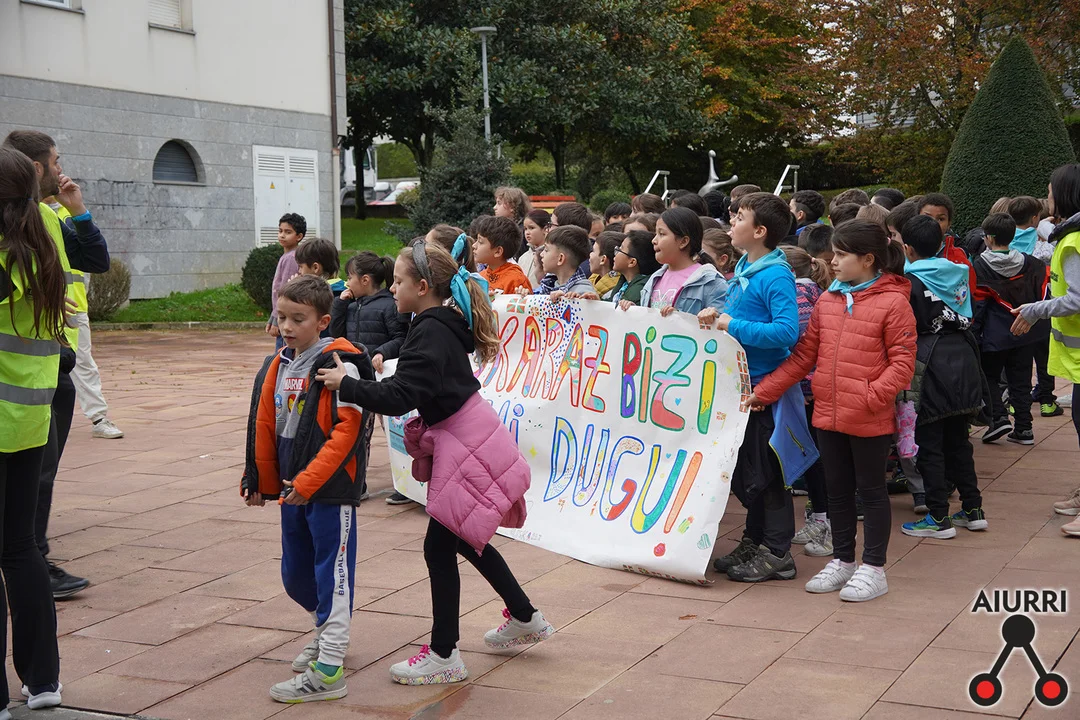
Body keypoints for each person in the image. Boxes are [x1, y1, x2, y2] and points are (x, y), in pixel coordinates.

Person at [318, 240, 553, 683]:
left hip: (466, 444)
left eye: (399, 281)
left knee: (440, 547)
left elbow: (400, 395)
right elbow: (411, 386)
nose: (393, 288)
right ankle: (524, 617)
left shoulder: (430, 329)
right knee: (462, 539)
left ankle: (445, 655)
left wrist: (345, 386)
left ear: (423, 287)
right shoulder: (435, 323)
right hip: (469, 437)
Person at [749, 220, 915, 601]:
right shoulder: (828, 301)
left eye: (842, 254)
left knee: (871, 492)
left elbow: (903, 364)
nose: (833, 261)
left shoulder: (894, 302)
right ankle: (843, 560)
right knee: (837, 491)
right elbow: (803, 357)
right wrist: (764, 392)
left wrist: (870, 396)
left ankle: (874, 567)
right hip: (828, 414)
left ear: (868, 259)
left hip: (869, 416)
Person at [242, 275, 374, 703]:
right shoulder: (278, 363)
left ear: (322, 321)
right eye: (281, 317)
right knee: (295, 575)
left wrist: (309, 482)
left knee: (332, 573)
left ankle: (329, 669)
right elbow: (265, 423)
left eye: (298, 319)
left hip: (330, 488)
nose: (287, 326)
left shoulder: (340, 364)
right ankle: (327, 631)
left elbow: (347, 432)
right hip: (291, 487)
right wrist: (258, 478)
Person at [4, 130, 108, 601]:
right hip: (26, 373)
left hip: (53, 360)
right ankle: (31, 557)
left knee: (42, 472)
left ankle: (30, 552)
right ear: (35, 168)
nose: (61, 168)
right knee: (35, 472)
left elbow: (96, 259)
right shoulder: (17, 231)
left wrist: (78, 211)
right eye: (56, 161)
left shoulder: (49, 215)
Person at [699, 193, 807, 584]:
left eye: (740, 216)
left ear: (759, 231)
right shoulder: (746, 266)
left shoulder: (775, 274)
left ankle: (778, 553)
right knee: (750, 472)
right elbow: (739, 315)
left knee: (768, 473)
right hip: (741, 386)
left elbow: (786, 332)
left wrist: (732, 325)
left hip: (765, 391)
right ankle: (754, 539)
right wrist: (718, 315)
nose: (731, 220)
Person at [0, 146, 68, 716]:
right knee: (19, 549)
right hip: (27, 421)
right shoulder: (41, 245)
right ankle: (43, 681)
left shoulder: (6, 259)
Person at [898, 215, 986, 540]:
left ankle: (938, 516)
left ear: (907, 248)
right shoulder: (958, 272)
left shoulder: (908, 282)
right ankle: (973, 510)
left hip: (928, 363)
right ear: (940, 243)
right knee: (959, 440)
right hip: (964, 356)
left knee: (930, 443)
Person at [1013, 164, 1080, 536]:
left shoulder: (1073, 241)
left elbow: (1077, 299)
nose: (1047, 198)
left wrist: (1035, 310)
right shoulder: (1069, 236)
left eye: (1051, 192)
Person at [43, 196, 123, 440]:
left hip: (73, 304)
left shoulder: (66, 215)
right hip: (43, 304)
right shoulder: (32, 212)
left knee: (82, 361)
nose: (59, 177)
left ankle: (98, 417)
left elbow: (93, 258)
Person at [972, 213, 1049, 446]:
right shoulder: (1032, 263)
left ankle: (998, 418)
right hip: (1025, 331)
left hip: (995, 334)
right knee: (1021, 380)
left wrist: (974, 333)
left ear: (988, 238)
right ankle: (1024, 429)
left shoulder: (979, 266)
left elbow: (979, 304)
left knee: (989, 376)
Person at [779, 246, 833, 557]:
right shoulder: (816, 293)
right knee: (813, 456)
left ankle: (826, 524)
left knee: (815, 457)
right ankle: (820, 519)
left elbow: (797, 344)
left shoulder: (798, 297)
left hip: (806, 388)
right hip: (810, 387)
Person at [628, 207, 727, 316]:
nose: (654, 240)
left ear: (683, 242)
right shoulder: (655, 279)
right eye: (656, 234)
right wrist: (633, 310)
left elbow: (722, 320)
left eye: (662, 234)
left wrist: (682, 318)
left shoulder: (710, 282)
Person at [331, 252, 408, 373]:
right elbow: (337, 336)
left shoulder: (389, 305)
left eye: (350, 278)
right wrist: (340, 305)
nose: (347, 283)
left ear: (365, 280)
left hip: (379, 372)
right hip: (354, 372)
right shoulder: (351, 307)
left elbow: (401, 338)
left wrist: (382, 352)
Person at [268, 213, 306, 350]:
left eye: (288, 232)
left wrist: (276, 318)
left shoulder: (291, 258)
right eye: (280, 231)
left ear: (299, 236)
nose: (282, 235)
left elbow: (285, 291)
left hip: (284, 316)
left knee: (283, 354)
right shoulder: (287, 255)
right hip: (281, 314)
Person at [473, 216, 530, 296]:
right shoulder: (480, 277)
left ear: (498, 251)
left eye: (480, 242)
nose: (474, 246)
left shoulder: (516, 280)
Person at [534, 226, 594, 296]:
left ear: (560, 259)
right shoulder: (549, 285)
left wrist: (571, 301)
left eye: (546, 250)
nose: (541, 254)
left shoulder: (583, 293)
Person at [611, 230, 662, 305]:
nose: (616, 252)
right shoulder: (624, 282)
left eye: (620, 249)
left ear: (632, 262)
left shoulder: (638, 290)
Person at [589, 231, 625, 300]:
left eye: (593, 251)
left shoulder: (614, 293)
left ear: (603, 259)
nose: (590, 254)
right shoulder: (593, 278)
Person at [519, 209, 549, 289]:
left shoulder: (550, 256)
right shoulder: (523, 258)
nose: (527, 232)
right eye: (525, 229)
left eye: (531, 228)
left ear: (545, 229)